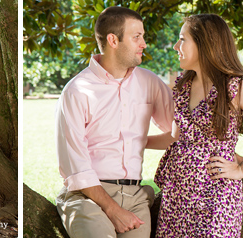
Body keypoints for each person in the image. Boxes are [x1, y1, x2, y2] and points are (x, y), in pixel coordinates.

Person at [152, 14, 243, 237]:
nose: (177, 46)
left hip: (215, 197)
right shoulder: (184, 85)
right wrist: (138, 142)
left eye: (182, 39)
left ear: (205, 44)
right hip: (176, 197)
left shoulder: (235, 86)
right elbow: (177, 138)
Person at [54, 6, 174, 238]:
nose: (144, 44)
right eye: (137, 37)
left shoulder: (149, 82)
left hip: (135, 197)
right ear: (113, 40)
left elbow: (184, 130)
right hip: (87, 196)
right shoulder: (78, 90)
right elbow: (75, 167)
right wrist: (112, 209)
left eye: (143, 37)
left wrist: (235, 157)